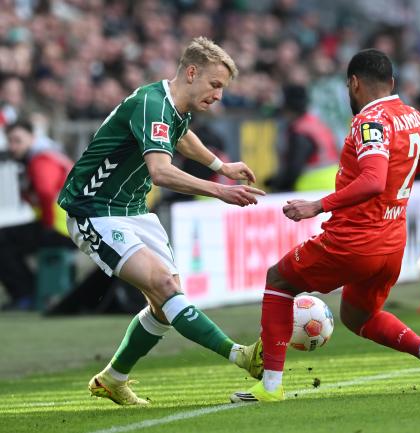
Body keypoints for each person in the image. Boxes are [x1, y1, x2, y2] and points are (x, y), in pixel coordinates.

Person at [230, 49, 420, 403]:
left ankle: (270, 386)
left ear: (354, 83)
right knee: (358, 316)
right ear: (391, 83)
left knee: (278, 280)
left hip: (354, 240)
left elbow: (374, 179)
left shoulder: (369, 121)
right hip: (392, 243)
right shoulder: (412, 116)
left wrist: (317, 205)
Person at [57, 37, 266, 406]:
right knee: (167, 288)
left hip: (133, 208)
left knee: (163, 307)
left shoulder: (175, 106)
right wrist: (219, 190)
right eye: (214, 85)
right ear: (191, 72)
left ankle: (112, 379)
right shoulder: (152, 104)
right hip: (95, 209)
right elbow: (161, 172)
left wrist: (221, 166)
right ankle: (241, 356)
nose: (218, 95)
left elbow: (181, 136)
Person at [0, 119, 72, 310]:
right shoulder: (48, 155)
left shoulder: (41, 159)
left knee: (2, 240)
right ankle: (29, 292)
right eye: (10, 141)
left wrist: (47, 225)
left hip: (61, 229)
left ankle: (25, 295)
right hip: (71, 226)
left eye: (17, 140)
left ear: (32, 138)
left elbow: (46, 192)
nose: (12, 146)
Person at [266, 84, 339, 192]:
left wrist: (276, 184)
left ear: (288, 108)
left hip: (312, 189)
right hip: (331, 185)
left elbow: (294, 169)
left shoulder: (300, 132)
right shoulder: (316, 123)